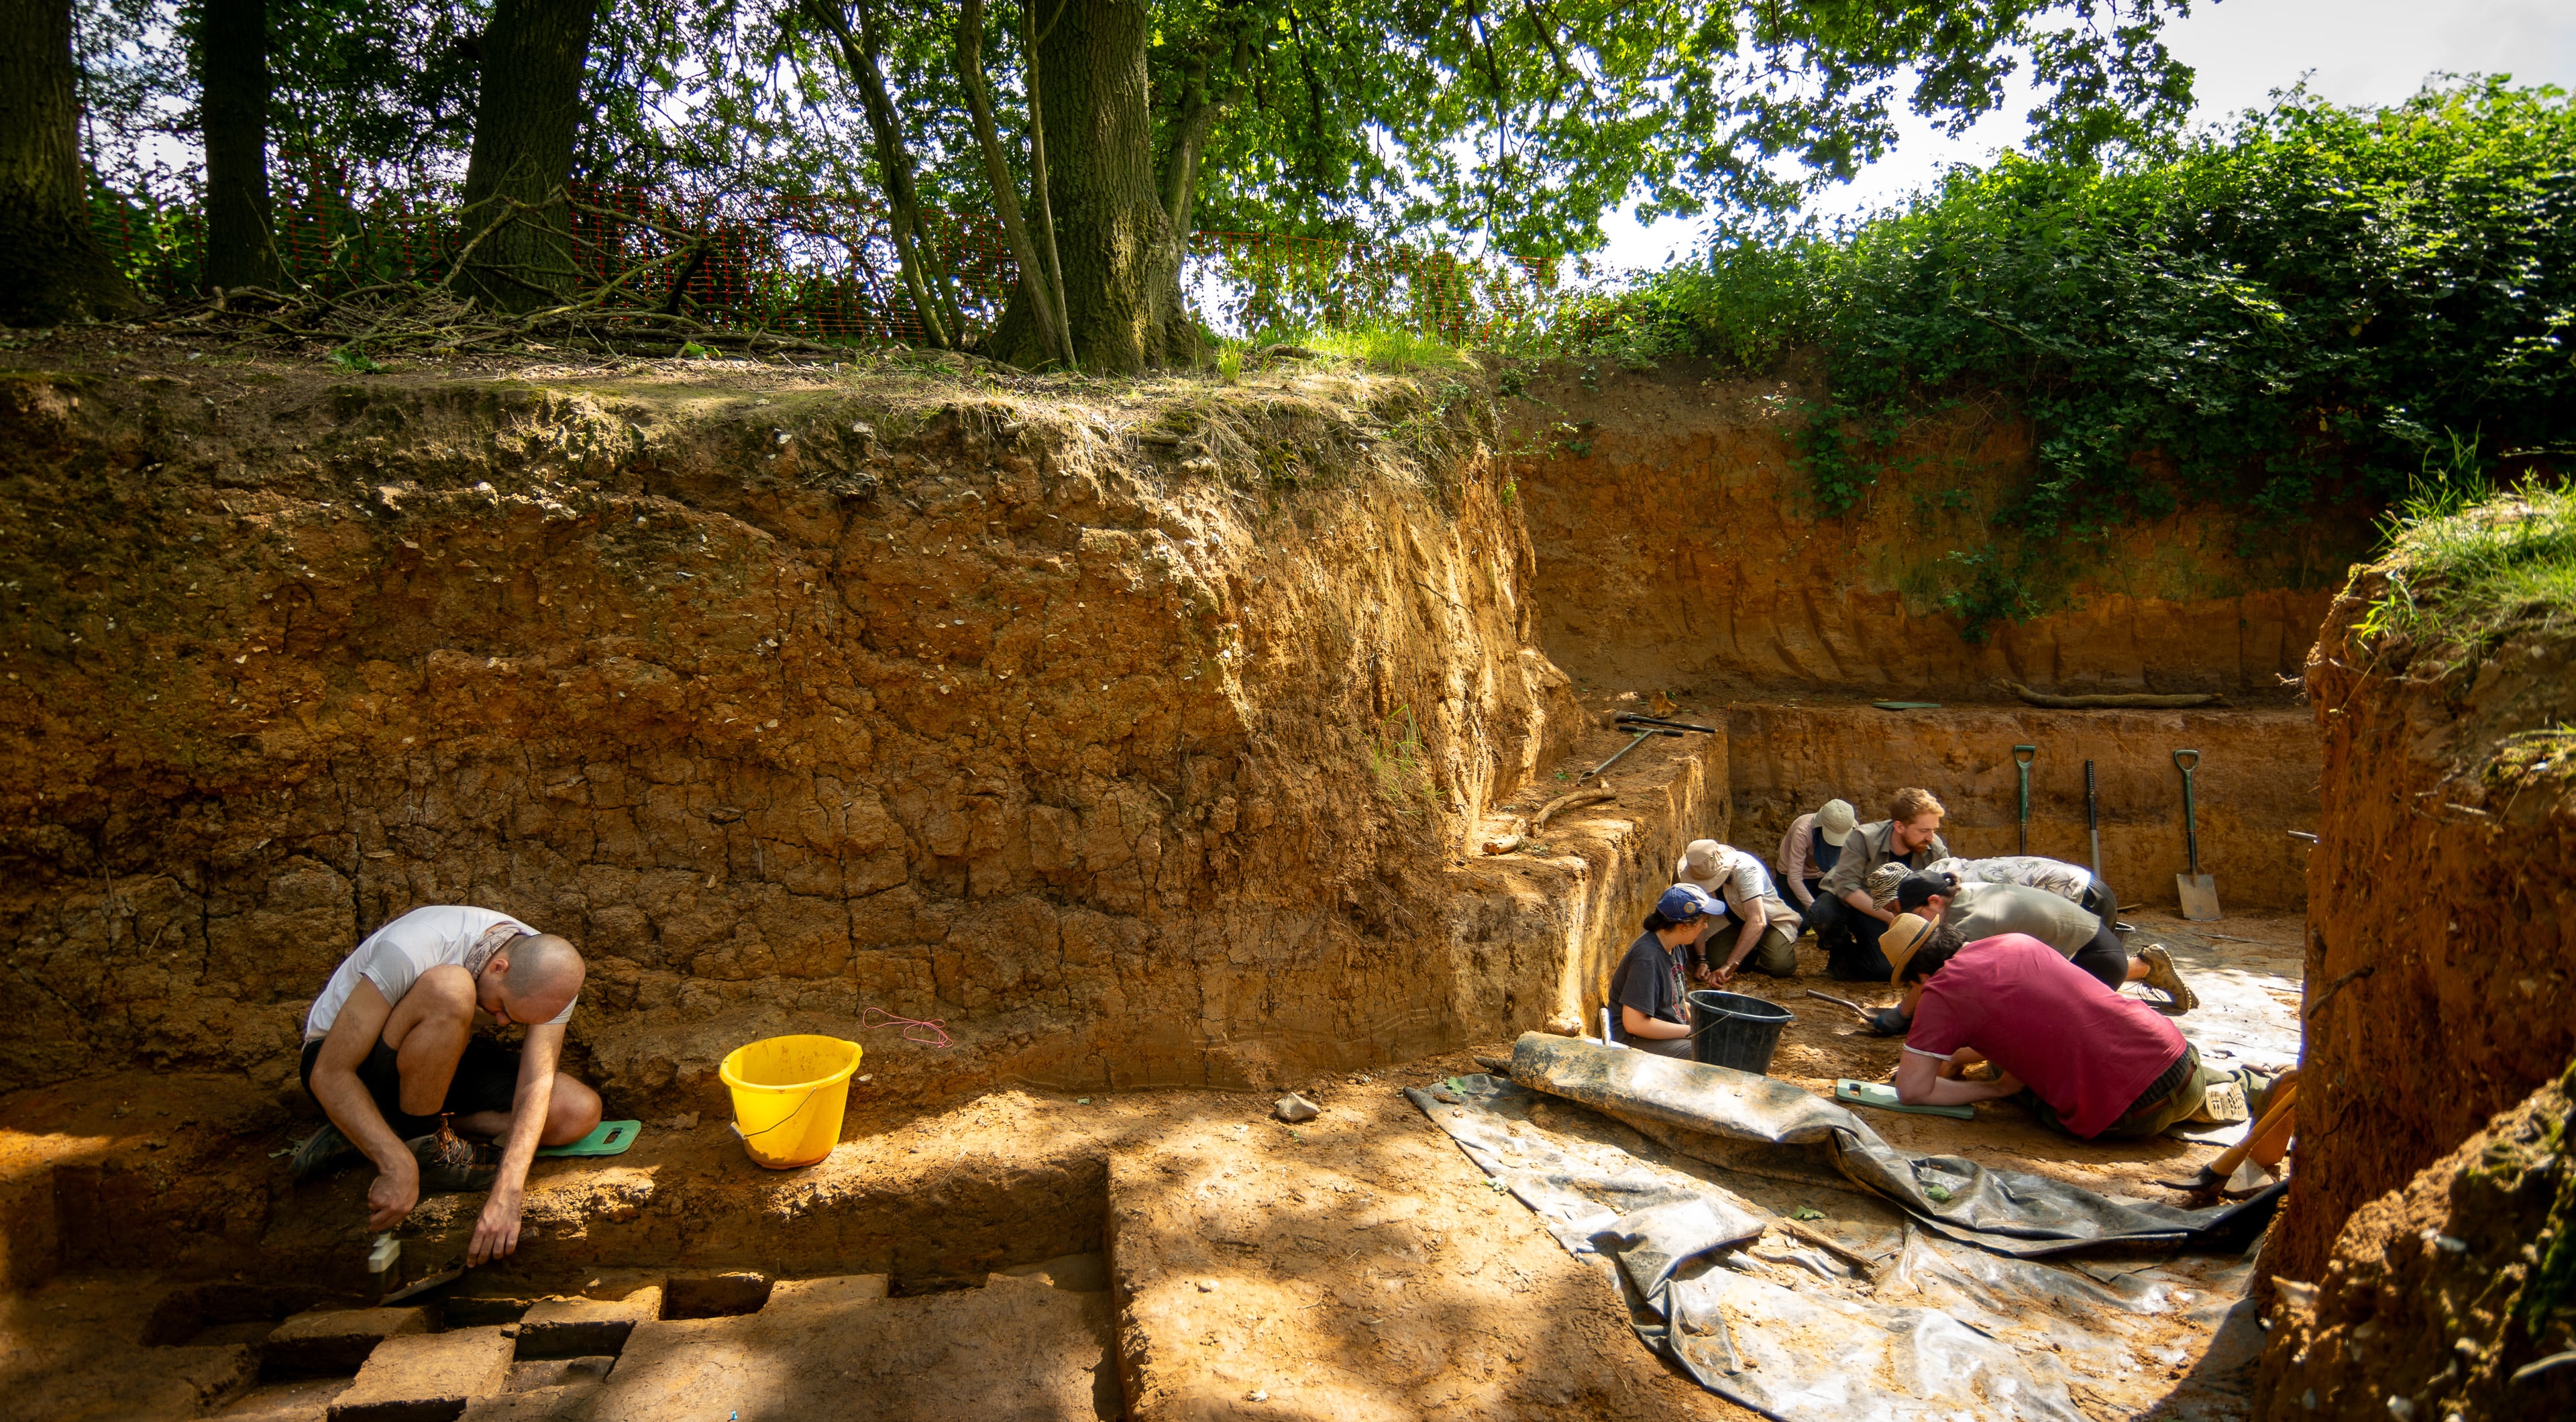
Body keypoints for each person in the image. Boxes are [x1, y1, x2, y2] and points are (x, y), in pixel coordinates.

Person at [292, 906, 604, 1266]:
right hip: (347, 1063)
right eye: (503, 1008)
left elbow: (536, 1082)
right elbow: (329, 1073)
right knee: (452, 988)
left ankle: (383, 1128)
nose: (502, 1023)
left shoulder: (553, 981)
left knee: (577, 1111)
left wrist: (508, 1193)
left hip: (433, 1061)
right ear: (499, 967)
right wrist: (397, 1166)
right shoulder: (417, 945)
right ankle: (416, 1144)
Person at [1881, 917, 2264, 1140]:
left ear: (1922, 976)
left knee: (2005, 1074)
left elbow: (1912, 1091)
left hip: (2133, 1116)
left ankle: (2188, 1109)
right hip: (2177, 1055)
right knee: (2123, 1044)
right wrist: (1952, 1058)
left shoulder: (1940, 990)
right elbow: (2035, 1022)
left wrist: (1996, 1089)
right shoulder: (2016, 941)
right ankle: (2245, 1082)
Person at [1872, 872, 2196, 1030]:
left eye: (1917, 915)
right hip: (2096, 946)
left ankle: (2125, 1002)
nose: (1919, 923)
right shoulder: (1964, 892)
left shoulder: (1970, 922)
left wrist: (1901, 1015)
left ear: (1933, 901)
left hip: (2095, 960)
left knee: (2033, 1028)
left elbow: (1944, 978)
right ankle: (2143, 966)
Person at [1809, 788, 1952, 980]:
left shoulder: (1934, 849)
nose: (1931, 838)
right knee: (1822, 914)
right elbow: (1846, 887)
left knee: (1884, 970)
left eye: (1934, 830)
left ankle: (1856, 959)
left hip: (1890, 908)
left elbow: (1944, 893)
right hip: (1851, 901)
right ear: (1899, 827)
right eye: (1924, 830)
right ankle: (1840, 954)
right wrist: (1891, 919)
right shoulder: (1864, 838)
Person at [1609, 885, 1725, 1058]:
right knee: (1711, 1052)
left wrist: (1695, 1021)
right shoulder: (1647, 959)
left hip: (1664, 1030)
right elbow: (1634, 1024)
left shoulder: (1676, 945)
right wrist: (1693, 1031)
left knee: (1721, 1039)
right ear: (1684, 926)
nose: (1706, 926)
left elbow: (1677, 997)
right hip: (1633, 1041)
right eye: (1704, 921)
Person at [1675, 838, 1803, 983]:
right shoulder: (1697, 871)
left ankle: (1761, 946)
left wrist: (1728, 966)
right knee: (1715, 962)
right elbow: (1700, 915)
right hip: (1731, 922)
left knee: (1781, 966)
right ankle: (1750, 949)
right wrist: (1702, 959)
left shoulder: (1746, 870)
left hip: (1768, 922)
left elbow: (1758, 921)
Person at [1917, 853, 2120, 925]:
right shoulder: (1946, 873)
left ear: (1933, 900)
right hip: (2087, 883)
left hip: (2078, 896)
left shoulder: (1963, 896)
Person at [1774, 798, 1858, 913]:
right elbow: (1794, 878)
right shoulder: (1802, 831)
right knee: (1801, 920)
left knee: (1836, 915)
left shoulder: (1851, 826)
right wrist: (1815, 911)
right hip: (1790, 877)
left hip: (1824, 876)